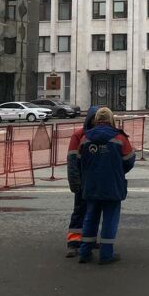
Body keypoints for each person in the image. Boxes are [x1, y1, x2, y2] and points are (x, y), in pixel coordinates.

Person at [70, 106, 135, 265]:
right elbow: (129, 160)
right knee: (110, 219)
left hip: (91, 185)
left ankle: (85, 252)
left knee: (90, 217)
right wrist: (117, 171)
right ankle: (106, 255)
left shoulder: (85, 138)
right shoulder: (119, 138)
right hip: (112, 185)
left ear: (96, 119)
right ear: (111, 119)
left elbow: (79, 161)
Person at [64, 105, 98, 258]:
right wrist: (74, 182)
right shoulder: (79, 136)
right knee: (79, 211)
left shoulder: (101, 135)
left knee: (94, 212)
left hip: (96, 182)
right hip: (83, 182)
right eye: (95, 120)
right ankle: (73, 243)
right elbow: (72, 161)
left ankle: (89, 239)